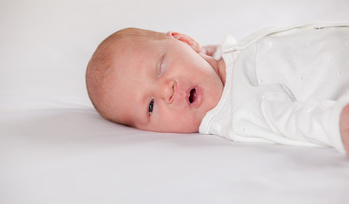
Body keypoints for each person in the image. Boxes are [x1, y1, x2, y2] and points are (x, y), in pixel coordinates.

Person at [86, 22, 349, 154]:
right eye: (150, 106)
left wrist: (209, 54)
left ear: (186, 42)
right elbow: (288, 121)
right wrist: (335, 123)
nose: (166, 91)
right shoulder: (237, 112)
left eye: (161, 67)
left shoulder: (222, 61)